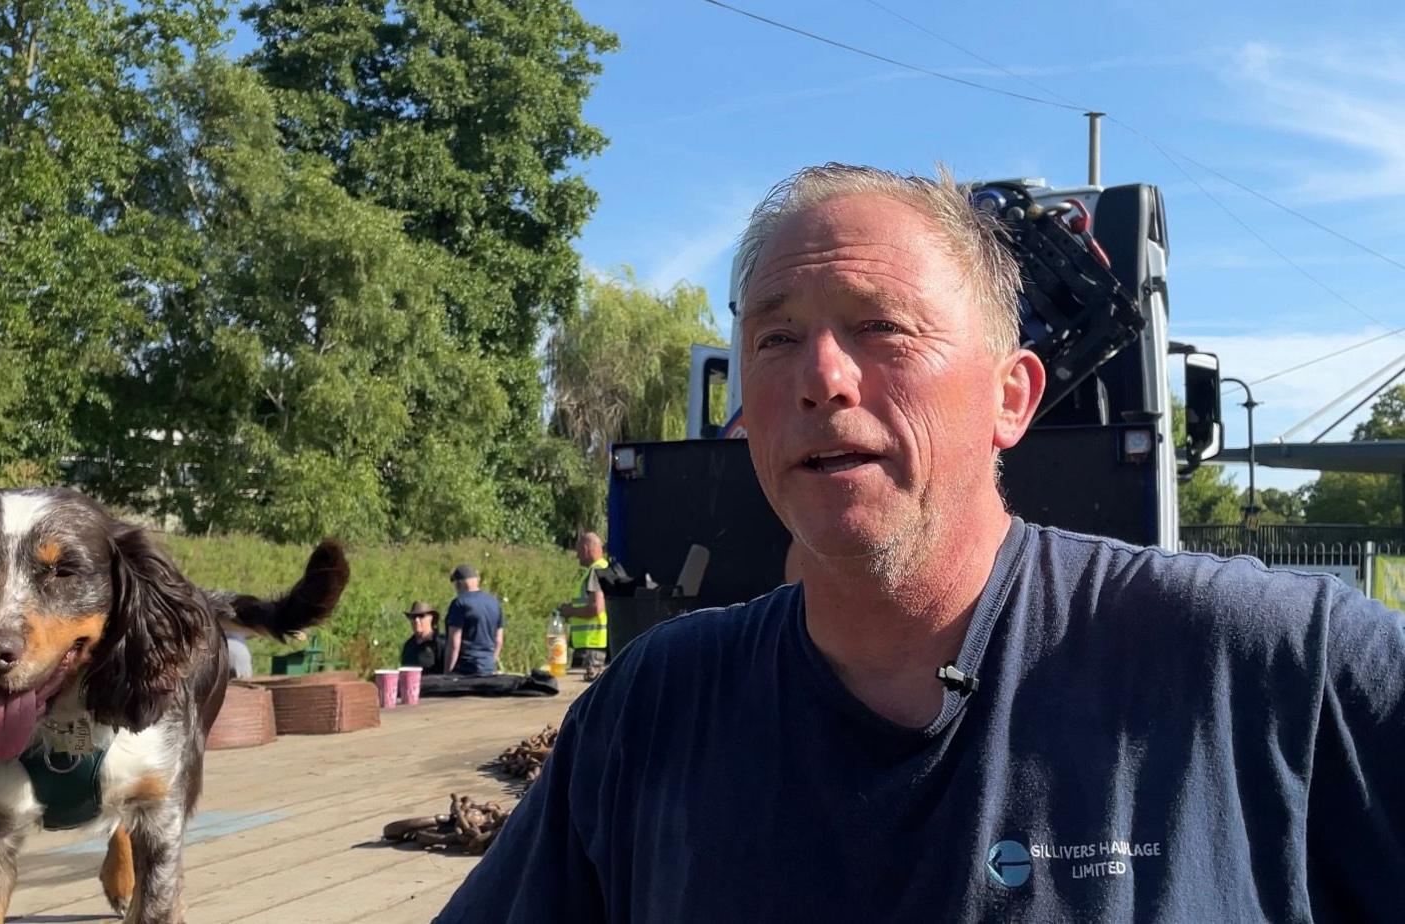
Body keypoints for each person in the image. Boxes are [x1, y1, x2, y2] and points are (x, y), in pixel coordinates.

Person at [437, 164, 1405, 920]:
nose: (820, 378)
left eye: (881, 329)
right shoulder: (655, 709)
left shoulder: (1260, 664)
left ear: (1011, 397)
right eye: (775, 341)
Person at [556, 532, 610, 679]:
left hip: (590, 647)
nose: (577, 556)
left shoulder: (595, 572)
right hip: (596, 644)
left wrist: (570, 611)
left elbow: (596, 608)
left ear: (586, 549)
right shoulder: (606, 567)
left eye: (579, 551)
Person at [444, 564, 504, 676]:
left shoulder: (459, 603)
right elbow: (499, 640)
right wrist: (490, 663)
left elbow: (454, 643)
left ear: (459, 583)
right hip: (488, 668)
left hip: (465, 668)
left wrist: (447, 673)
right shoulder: (494, 602)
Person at [400, 600, 450, 674]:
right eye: (413, 617)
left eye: (421, 616)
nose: (416, 620)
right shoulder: (409, 646)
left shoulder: (441, 644)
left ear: (431, 618)